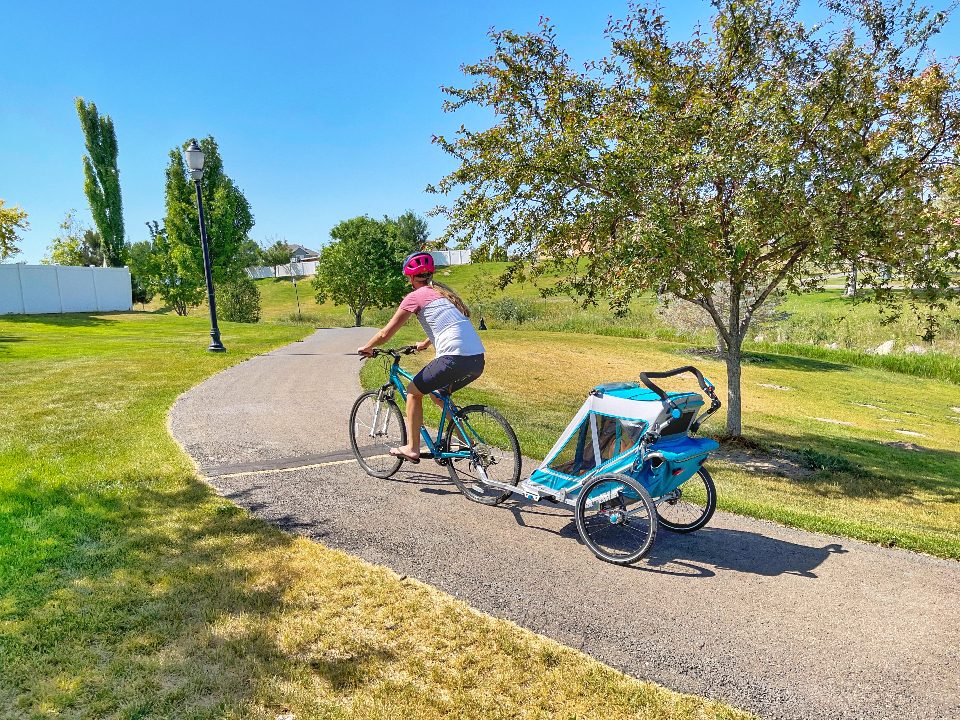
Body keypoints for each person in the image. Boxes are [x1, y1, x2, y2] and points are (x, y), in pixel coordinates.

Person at [358, 252, 485, 463]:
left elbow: (385, 334)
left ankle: (412, 448)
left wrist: (368, 347)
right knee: (438, 394)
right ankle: (466, 442)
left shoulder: (415, 297)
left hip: (453, 359)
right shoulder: (443, 295)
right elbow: (449, 324)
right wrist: (426, 343)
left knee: (413, 392)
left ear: (410, 277)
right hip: (476, 360)